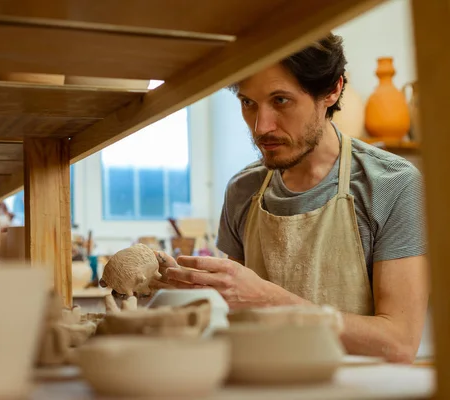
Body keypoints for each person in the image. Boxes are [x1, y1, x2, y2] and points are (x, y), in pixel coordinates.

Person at [153, 33, 429, 364]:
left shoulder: (392, 185)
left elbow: (398, 342)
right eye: (248, 103)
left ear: (332, 90)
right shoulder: (242, 190)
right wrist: (192, 289)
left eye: (280, 100)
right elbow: (233, 314)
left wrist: (270, 301)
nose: (260, 126)